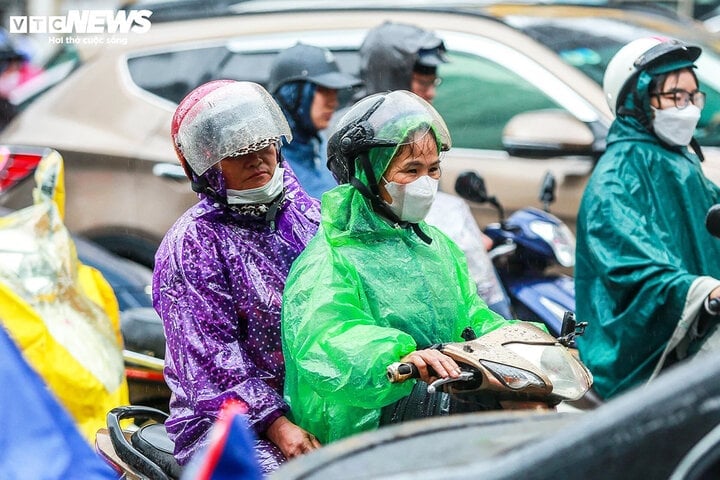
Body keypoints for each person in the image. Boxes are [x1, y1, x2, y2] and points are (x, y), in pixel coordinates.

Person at [281, 90, 524, 445]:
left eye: (433, 169)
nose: (426, 182)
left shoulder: (437, 246)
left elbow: (471, 315)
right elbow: (328, 341)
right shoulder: (330, 257)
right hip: (366, 431)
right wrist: (398, 356)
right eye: (411, 170)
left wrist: (517, 339)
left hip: (441, 404)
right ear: (367, 173)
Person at [152, 80, 322, 474]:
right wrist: (276, 424)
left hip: (314, 402)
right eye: (238, 153)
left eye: (263, 145)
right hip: (226, 423)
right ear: (207, 167)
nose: (257, 160)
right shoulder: (193, 244)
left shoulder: (306, 214)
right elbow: (210, 361)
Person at [574, 37, 720, 400]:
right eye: (674, 97)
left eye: (692, 97)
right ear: (638, 98)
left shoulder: (681, 162)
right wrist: (703, 291)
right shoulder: (616, 178)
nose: (687, 108)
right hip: (642, 360)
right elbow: (635, 269)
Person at [354, 20, 508, 316]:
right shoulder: (361, 139)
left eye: (432, 169)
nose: (431, 93)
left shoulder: (421, 130)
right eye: (422, 83)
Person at [268, 42, 362, 200]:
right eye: (323, 91)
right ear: (292, 94)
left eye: (335, 92)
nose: (333, 103)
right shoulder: (269, 163)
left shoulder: (325, 148)